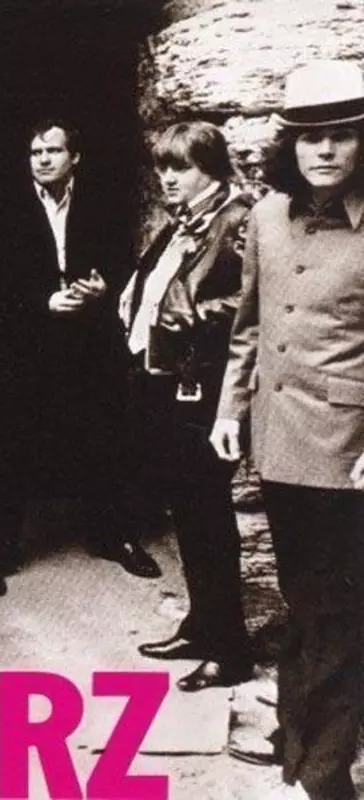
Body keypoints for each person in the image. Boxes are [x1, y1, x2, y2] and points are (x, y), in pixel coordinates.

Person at [211, 60, 364, 800]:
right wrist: (229, 410)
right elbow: (248, 324)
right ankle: (296, 729)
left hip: (347, 452)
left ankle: (326, 772)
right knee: (304, 597)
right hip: (277, 441)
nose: (325, 150)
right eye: (309, 137)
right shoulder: (267, 216)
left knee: (337, 610)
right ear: (289, 147)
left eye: (342, 135)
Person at [0, 118, 160, 597]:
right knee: (11, 441)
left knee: (104, 436)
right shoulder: (2, 207)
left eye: (52, 151)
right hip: (25, 340)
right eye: (35, 152)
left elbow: (124, 260)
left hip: (88, 338)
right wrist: (42, 302)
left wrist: (103, 287)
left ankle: (113, 536)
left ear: (75, 157)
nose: (43, 160)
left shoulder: (102, 202)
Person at [120, 121, 255, 692]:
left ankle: (230, 651)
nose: (168, 179)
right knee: (191, 513)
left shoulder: (238, 219)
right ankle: (202, 628)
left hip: (208, 390)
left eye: (182, 167)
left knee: (208, 517)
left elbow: (254, 299)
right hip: (175, 384)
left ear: (213, 169)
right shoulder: (187, 220)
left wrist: (194, 315)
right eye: (163, 168)